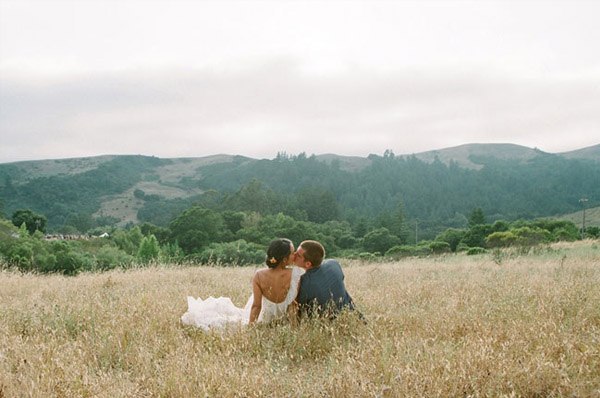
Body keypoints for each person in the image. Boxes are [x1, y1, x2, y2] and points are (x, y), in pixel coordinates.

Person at [181, 238, 305, 330]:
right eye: (292, 252)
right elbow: (293, 307)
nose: (294, 255)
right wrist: (295, 328)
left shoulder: (259, 275)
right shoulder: (297, 274)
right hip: (282, 324)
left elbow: (256, 306)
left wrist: (251, 327)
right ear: (284, 259)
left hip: (263, 321)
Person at [293, 240, 357, 320]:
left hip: (329, 326)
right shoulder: (333, 263)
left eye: (298, 255)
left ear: (308, 264)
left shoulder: (304, 281)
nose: (293, 255)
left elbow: (300, 309)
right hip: (353, 316)